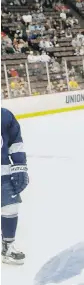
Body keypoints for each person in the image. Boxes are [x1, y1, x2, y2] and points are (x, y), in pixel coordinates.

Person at [1, 108, 28, 265]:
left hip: (2, 172)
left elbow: (15, 143)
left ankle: (8, 247)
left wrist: (20, 166)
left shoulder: (4, 115)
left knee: (11, 207)